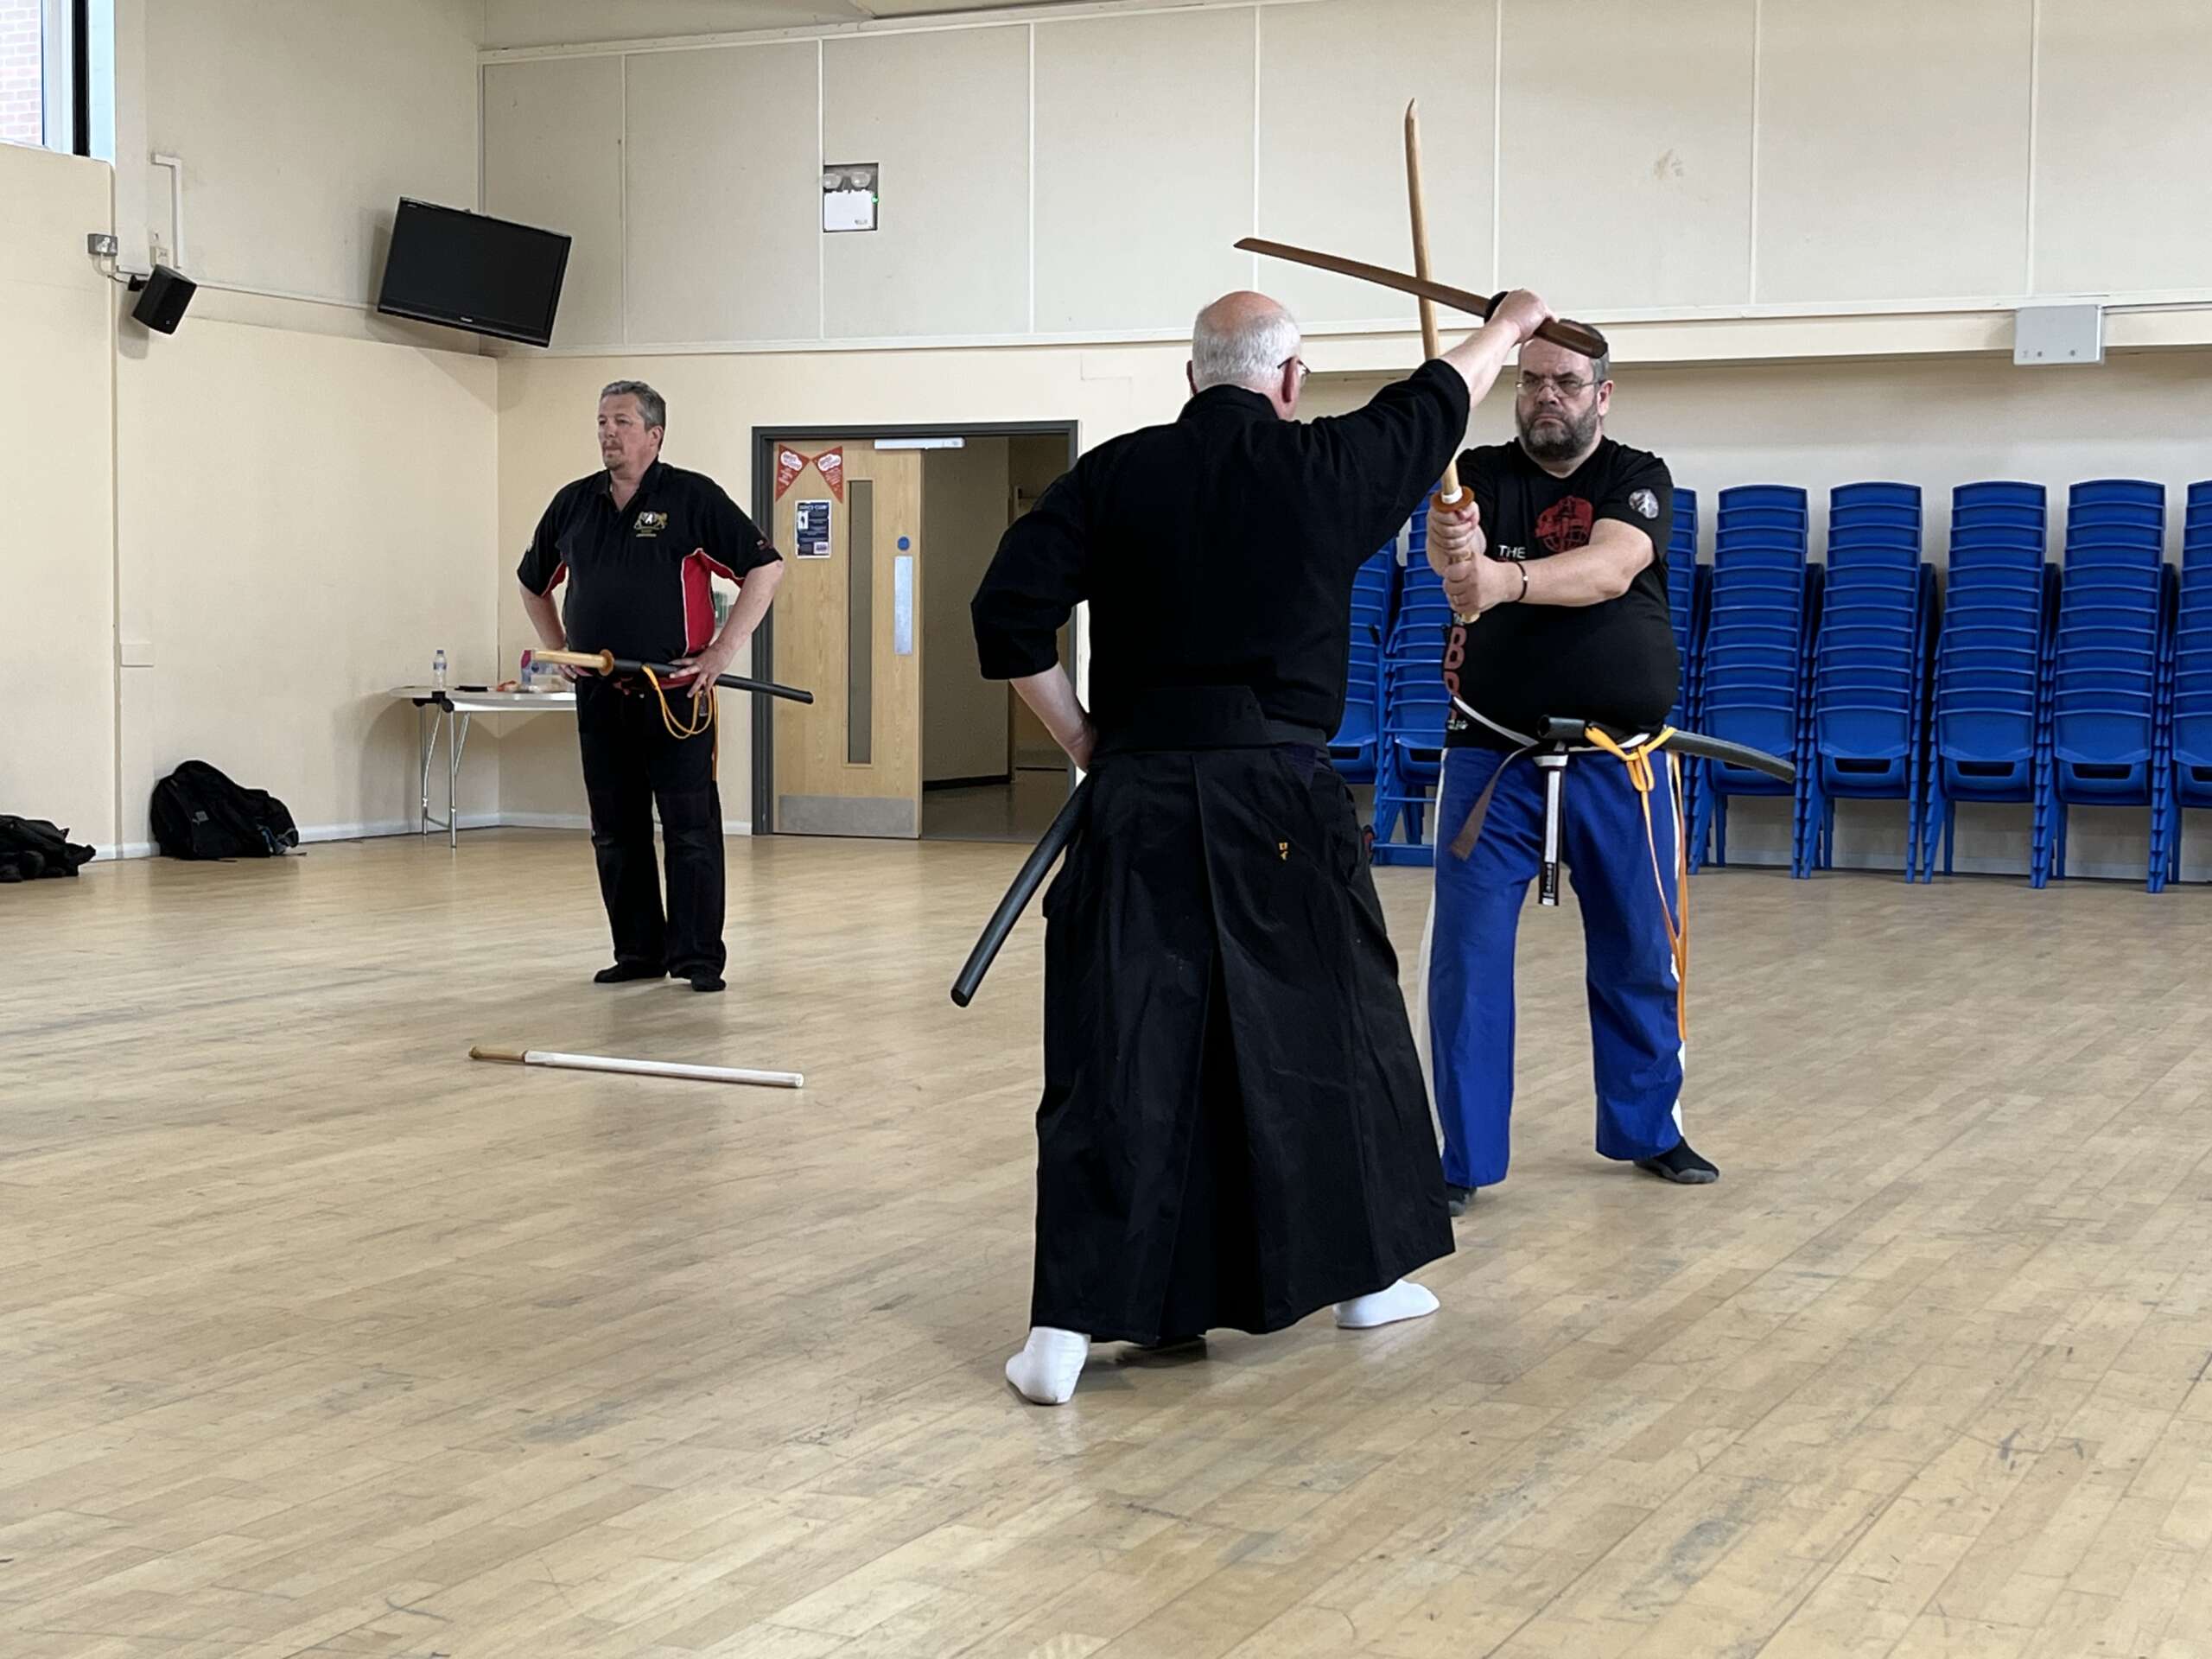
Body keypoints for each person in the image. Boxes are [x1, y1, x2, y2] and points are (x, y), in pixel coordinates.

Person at [971, 285, 1554, 1406]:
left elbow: (1004, 614)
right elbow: (1440, 395)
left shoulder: (1114, 475)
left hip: (1138, 793)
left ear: (1192, 378)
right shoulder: (1326, 463)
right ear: (1290, 381)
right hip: (1279, 800)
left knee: (1118, 1044)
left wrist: (1085, 739)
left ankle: (1063, 1332)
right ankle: (1364, 1284)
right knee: (1331, 1031)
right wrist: (1508, 326)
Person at [1421, 325, 1716, 1213]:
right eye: (1532, 380)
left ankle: (1649, 1129)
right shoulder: (1478, 472)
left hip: (1620, 762)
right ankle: (1462, 1158)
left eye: (1566, 382)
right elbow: (1451, 557)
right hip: (1492, 759)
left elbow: (1610, 569)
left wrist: (1504, 582)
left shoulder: (1636, 476)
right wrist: (1451, 542)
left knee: (1639, 949)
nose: (1547, 395)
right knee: (1467, 962)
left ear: (1601, 395)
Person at [518, 380, 784, 993]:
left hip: (675, 695)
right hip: (600, 695)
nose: (608, 432)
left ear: (654, 435)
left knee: (690, 829)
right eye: (602, 422)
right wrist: (562, 646)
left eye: (622, 422)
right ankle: (638, 952)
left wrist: (721, 651)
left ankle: (697, 958)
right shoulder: (574, 503)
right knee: (615, 829)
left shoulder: (691, 497)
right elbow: (533, 583)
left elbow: (766, 567)